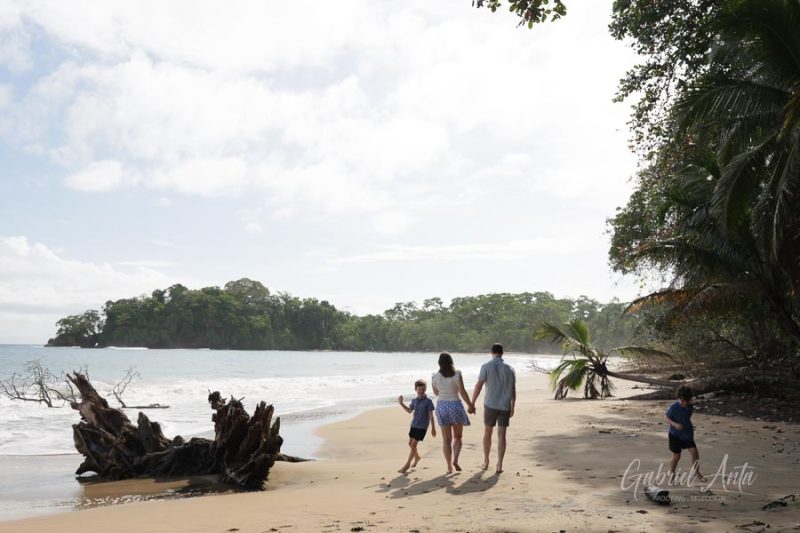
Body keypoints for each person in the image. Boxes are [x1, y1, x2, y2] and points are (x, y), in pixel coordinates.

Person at [470, 343, 516, 474]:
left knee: (488, 432)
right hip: (505, 405)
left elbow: (478, 386)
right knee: (502, 435)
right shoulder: (510, 369)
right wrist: (513, 406)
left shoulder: (486, 366)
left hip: (490, 404)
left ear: (492, 352)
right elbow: (513, 389)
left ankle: (486, 460)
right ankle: (499, 464)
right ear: (502, 353)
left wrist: (472, 403)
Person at [432, 352, 474, 474]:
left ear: (439, 363)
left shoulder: (434, 377)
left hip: (442, 407)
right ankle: (455, 460)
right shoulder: (457, 374)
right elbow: (462, 392)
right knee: (458, 437)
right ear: (451, 361)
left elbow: (436, 393)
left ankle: (449, 467)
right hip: (455, 406)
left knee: (446, 439)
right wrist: (470, 405)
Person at [665, 385, 706, 483]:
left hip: (687, 434)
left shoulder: (689, 407)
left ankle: (697, 472)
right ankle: (672, 472)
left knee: (695, 453)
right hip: (675, 434)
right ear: (680, 398)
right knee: (677, 456)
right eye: (683, 401)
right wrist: (675, 424)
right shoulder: (674, 407)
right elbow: (666, 418)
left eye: (687, 401)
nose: (685, 403)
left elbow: (686, 418)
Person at [397, 379, 436, 473]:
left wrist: (433, 428)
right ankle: (417, 457)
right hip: (414, 425)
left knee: (413, 444)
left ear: (425, 389)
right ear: (416, 389)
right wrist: (401, 403)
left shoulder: (428, 401)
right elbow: (409, 411)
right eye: (419, 389)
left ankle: (407, 465)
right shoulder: (414, 401)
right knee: (410, 444)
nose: (421, 391)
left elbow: (431, 416)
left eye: (423, 389)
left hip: (422, 427)